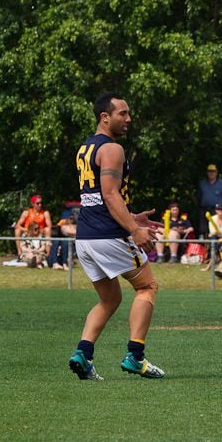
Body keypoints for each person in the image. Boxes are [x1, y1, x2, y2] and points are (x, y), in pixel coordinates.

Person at [68, 92, 165, 381]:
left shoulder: (85, 148)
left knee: (110, 299)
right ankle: (136, 357)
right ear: (104, 117)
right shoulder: (113, 149)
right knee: (147, 286)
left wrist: (132, 217)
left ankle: (83, 354)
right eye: (123, 113)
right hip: (108, 235)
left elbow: (96, 198)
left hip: (86, 237)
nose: (128, 119)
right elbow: (110, 194)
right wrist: (134, 230)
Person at [197, 164, 222, 237]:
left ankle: (216, 245)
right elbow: (198, 197)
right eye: (209, 171)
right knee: (203, 229)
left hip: (217, 210)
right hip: (204, 209)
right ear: (207, 173)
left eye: (213, 171)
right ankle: (203, 245)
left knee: (215, 228)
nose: (211, 173)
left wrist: (221, 208)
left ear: (216, 172)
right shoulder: (202, 183)